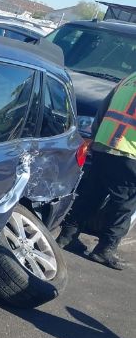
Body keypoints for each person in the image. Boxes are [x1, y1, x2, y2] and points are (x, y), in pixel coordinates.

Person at [56, 71, 136, 270]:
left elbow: (105, 107)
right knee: (124, 202)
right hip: (128, 150)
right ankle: (105, 249)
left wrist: (96, 136)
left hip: (104, 142)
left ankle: (67, 236)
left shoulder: (130, 78)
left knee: (92, 193)